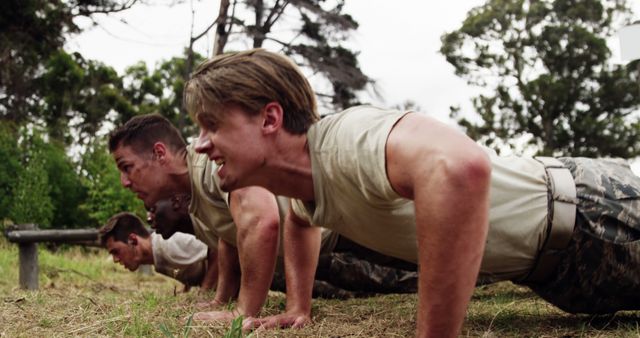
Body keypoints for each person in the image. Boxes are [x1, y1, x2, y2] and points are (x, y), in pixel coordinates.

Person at [183, 48, 640, 337]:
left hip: (600, 212)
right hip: (564, 282)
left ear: (269, 119)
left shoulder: (347, 139)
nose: (201, 145)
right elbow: (301, 220)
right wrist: (299, 308)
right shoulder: (304, 188)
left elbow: (460, 167)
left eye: (212, 125)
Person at [108, 114, 418, 323]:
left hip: (339, 226)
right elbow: (229, 238)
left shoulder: (210, 163)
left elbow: (261, 220)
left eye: (126, 166)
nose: (124, 181)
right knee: (428, 260)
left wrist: (244, 311)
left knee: (436, 256)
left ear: (160, 154)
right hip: (324, 235)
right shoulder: (194, 195)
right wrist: (221, 299)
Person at [150, 194, 419, 299]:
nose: (150, 218)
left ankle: (443, 278)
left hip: (315, 242)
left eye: (152, 208)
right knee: (357, 284)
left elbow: (219, 256)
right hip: (289, 260)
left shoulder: (168, 244)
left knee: (386, 262)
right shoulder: (198, 222)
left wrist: (216, 296)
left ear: (176, 202)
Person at [99, 212, 212, 290]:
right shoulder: (157, 254)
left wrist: (205, 290)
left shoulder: (169, 241)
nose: (115, 260)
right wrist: (187, 286)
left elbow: (216, 249)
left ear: (132, 240)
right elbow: (189, 261)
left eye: (116, 251)